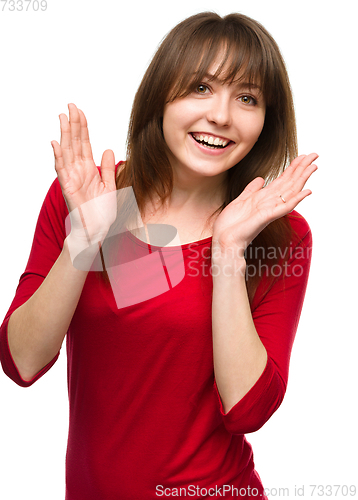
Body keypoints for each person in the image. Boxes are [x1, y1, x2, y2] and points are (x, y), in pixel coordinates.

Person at [0, 11, 318, 500]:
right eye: (200, 88)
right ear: (161, 96)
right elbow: (21, 362)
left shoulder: (277, 235)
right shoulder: (96, 196)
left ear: (265, 121)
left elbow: (246, 411)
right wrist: (85, 238)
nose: (221, 115)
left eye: (247, 98)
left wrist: (228, 252)